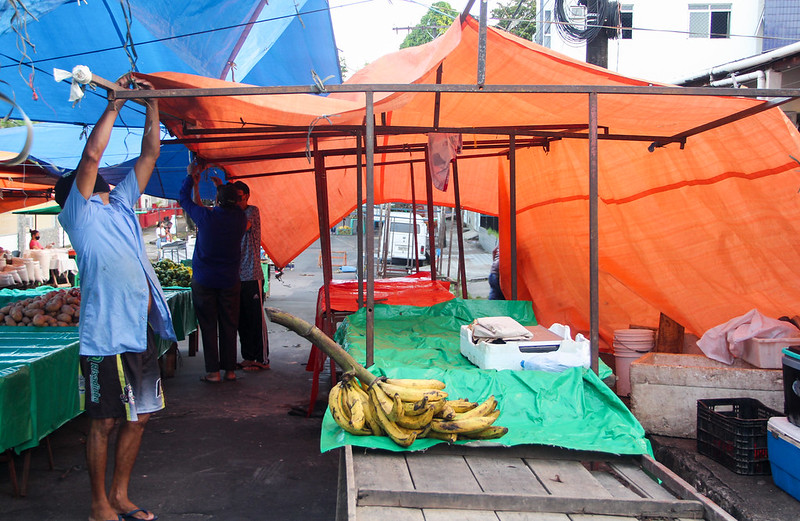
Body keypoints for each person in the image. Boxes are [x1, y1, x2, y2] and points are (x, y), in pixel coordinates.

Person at [55, 74, 174, 521]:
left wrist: (152, 105)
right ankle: (98, 504)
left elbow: (150, 154)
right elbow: (91, 154)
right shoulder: (79, 217)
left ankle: (121, 495)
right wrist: (117, 102)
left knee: (139, 417)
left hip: (139, 331)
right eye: (93, 180)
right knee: (103, 422)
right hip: (104, 337)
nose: (102, 178)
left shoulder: (122, 206)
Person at [179, 163, 247, 384]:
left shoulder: (206, 217)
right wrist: (224, 186)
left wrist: (191, 178)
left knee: (208, 326)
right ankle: (230, 371)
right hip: (229, 281)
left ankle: (213, 372)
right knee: (229, 325)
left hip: (205, 280)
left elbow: (183, 199)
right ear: (237, 202)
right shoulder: (240, 219)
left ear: (217, 201)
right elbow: (233, 203)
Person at [233, 181, 270, 371]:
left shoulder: (251, 212)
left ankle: (261, 359)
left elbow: (242, 226)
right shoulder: (233, 214)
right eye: (234, 198)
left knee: (255, 319)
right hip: (237, 276)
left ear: (247, 196)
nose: (236, 201)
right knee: (242, 320)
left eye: (239, 197)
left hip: (252, 274)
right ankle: (248, 356)